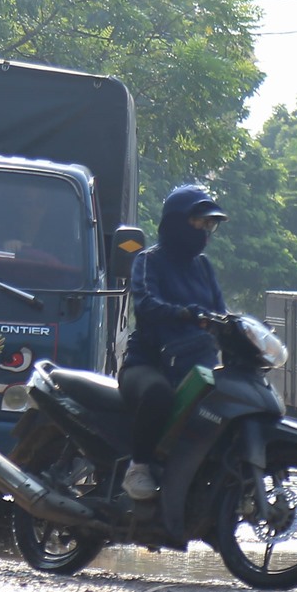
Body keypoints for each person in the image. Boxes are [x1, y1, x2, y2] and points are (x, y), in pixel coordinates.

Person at [120, 184, 229, 500]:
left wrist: (241, 328)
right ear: (176, 223)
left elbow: (220, 312)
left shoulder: (204, 267)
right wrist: (187, 314)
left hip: (194, 366)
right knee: (158, 396)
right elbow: (145, 304)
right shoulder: (148, 261)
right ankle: (138, 467)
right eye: (199, 222)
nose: (205, 231)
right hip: (147, 364)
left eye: (210, 225)